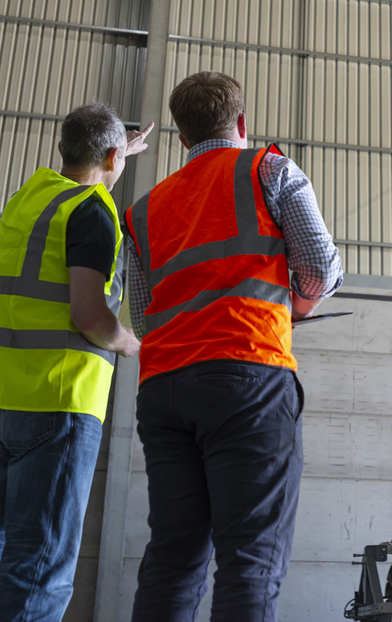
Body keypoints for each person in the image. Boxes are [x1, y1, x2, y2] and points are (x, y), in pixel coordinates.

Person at [124, 71, 343, 622]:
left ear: (181, 138)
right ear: (241, 124)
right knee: (250, 561)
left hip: (164, 389)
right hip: (248, 378)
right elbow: (319, 267)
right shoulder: (268, 169)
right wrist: (297, 308)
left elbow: (145, 318)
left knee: (172, 559)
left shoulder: (145, 211)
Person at [0, 102, 153, 622]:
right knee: (37, 573)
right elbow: (90, 315)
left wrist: (113, 151)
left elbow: (85, 163)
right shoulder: (93, 209)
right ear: (109, 156)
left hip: (2, 407)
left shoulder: (27, 200)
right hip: (59, 409)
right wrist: (130, 342)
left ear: (61, 149)